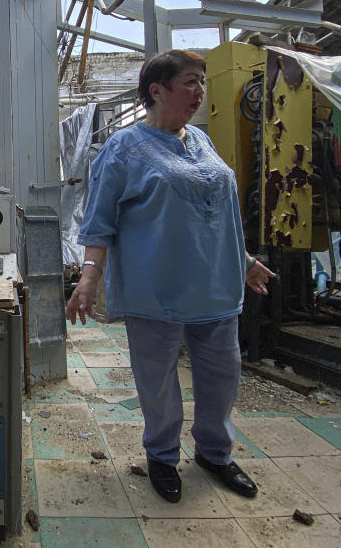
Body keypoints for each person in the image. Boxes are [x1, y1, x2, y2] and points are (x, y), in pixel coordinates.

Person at [65, 49, 276, 504]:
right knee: (158, 380)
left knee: (222, 375)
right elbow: (99, 221)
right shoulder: (123, 148)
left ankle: (215, 455)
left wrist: (243, 260)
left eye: (202, 82)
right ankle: (162, 456)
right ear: (156, 91)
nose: (199, 92)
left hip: (215, 284)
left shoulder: (201, 141)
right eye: (189, 82)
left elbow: (218, 210)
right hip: (155, 286)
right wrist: (88, 277)